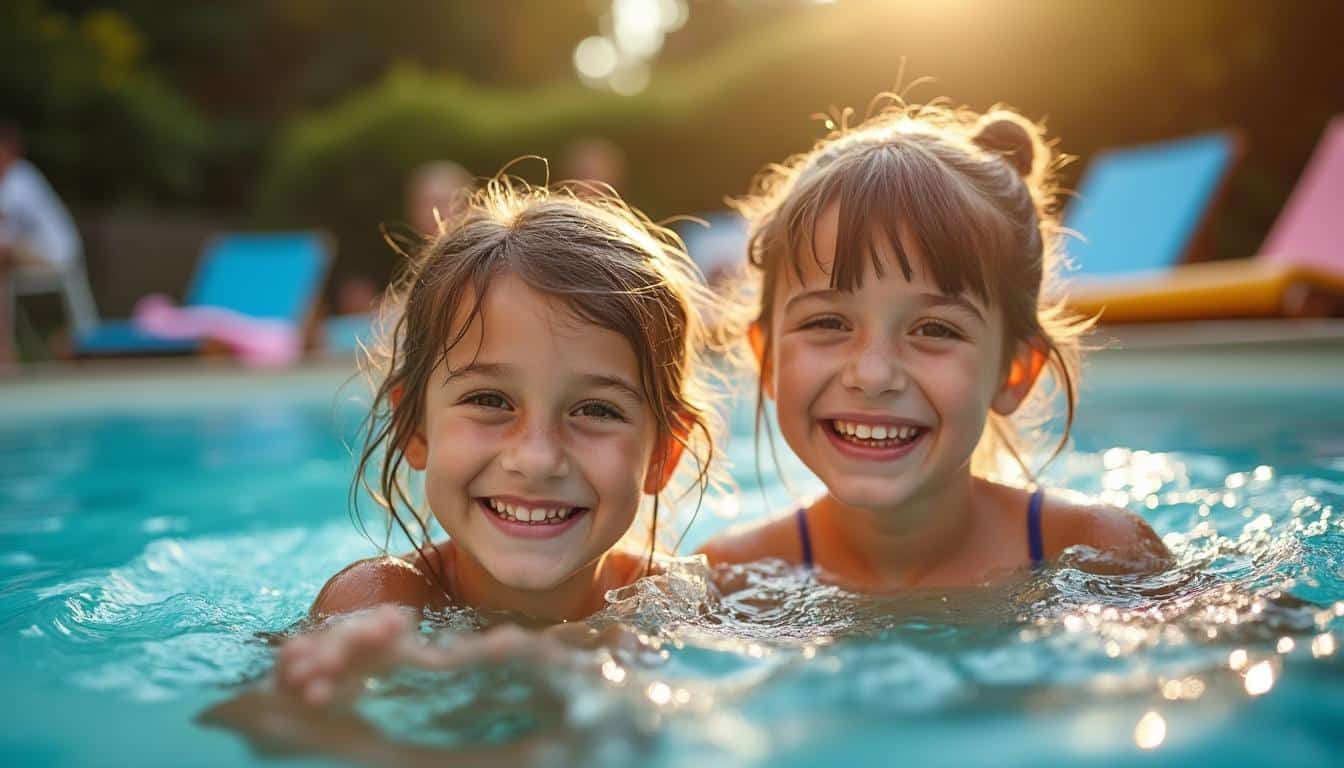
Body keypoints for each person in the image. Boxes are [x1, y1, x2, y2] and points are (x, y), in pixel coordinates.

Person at [263, 175, 721, 706]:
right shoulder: (381, 604)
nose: (537, 458)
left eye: (596, 409)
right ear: (415, 427)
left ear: (664, 454)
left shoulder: (675, 603)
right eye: (490, 401)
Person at [697, 99, 1171, 590]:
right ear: (768, 357)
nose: (874, 374)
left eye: (934, 330)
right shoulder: (727, 578)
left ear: (1015, 373)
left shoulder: (1097, 551)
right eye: (828, 322)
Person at [0, 120, 84, 368]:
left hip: (55, 254)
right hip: (26, 254)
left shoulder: (20, 178)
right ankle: (5, 348)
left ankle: (4, 350)